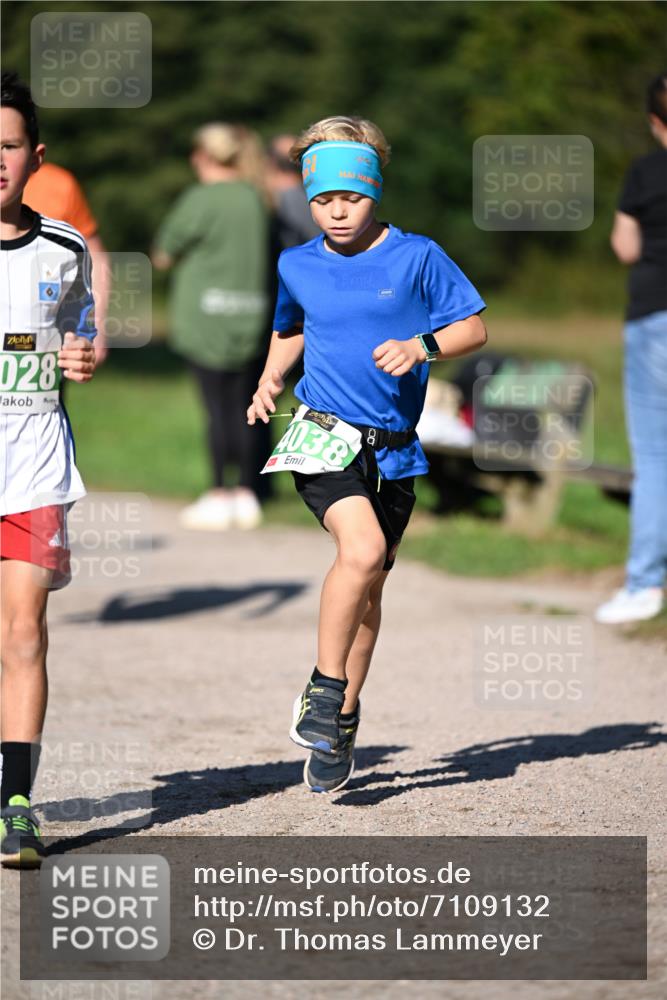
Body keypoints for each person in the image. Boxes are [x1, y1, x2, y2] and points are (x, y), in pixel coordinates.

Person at [247, 115, 487, 793]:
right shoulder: (297, 262)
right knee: (357, 553)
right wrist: (269, 380)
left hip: (395, 450)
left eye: (348, 197)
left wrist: (423, 347)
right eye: (322, 200)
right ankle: (324, 690)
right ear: (307, 197)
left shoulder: (416, 257)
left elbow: (472, 325)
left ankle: (342, 717)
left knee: (368, 590)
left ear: (373, 191)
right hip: (322, 434)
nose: (336, 211)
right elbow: (290, 329)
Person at [0, 73, 96, 867]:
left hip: (33, 459)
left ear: (36, 155)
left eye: (6, 145)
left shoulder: (64, 248)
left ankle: (17, 807)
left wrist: (83, 353)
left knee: (24, 631)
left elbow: (79, 331)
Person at [153, 123, 268, 531]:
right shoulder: (257, 198)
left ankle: (220, 492)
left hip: (206, 319)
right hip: (252, 316)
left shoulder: (201, 199)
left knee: (216, 409)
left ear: (205, 156)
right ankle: (248, 494)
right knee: (245, 409)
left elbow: (164, 254)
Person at [596, 73, 667, 625]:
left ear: (654, 121)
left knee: (656, 457)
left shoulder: (645, 172)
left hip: (655, 317)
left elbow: (625, 247)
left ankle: (645, 585)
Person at [24, 161, 110, 367]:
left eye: (10, 146)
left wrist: (95, 324)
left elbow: (95, 258)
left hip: (50, 335)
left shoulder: (60, 184)